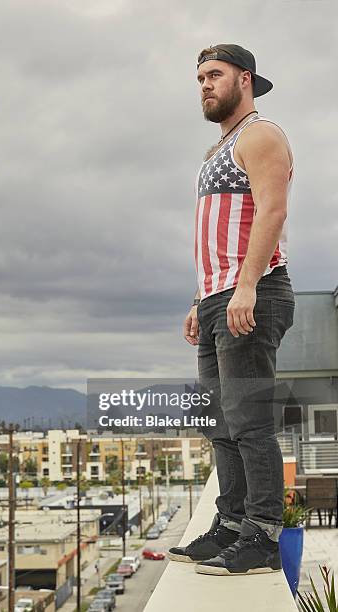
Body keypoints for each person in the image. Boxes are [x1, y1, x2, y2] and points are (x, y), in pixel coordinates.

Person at [167, 44, 295, 576]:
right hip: (219, 297)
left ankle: (263, 536)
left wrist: (244, 289)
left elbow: (272, 211)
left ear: (245, 79)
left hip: (256, 291)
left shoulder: (261, 135)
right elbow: (215, 235)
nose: (204, 85)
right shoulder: (212, 153)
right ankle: (233, 524)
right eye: (199, 77)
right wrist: (203, 298)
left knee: (248, 422)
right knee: (220, 424)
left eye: (214, 75)